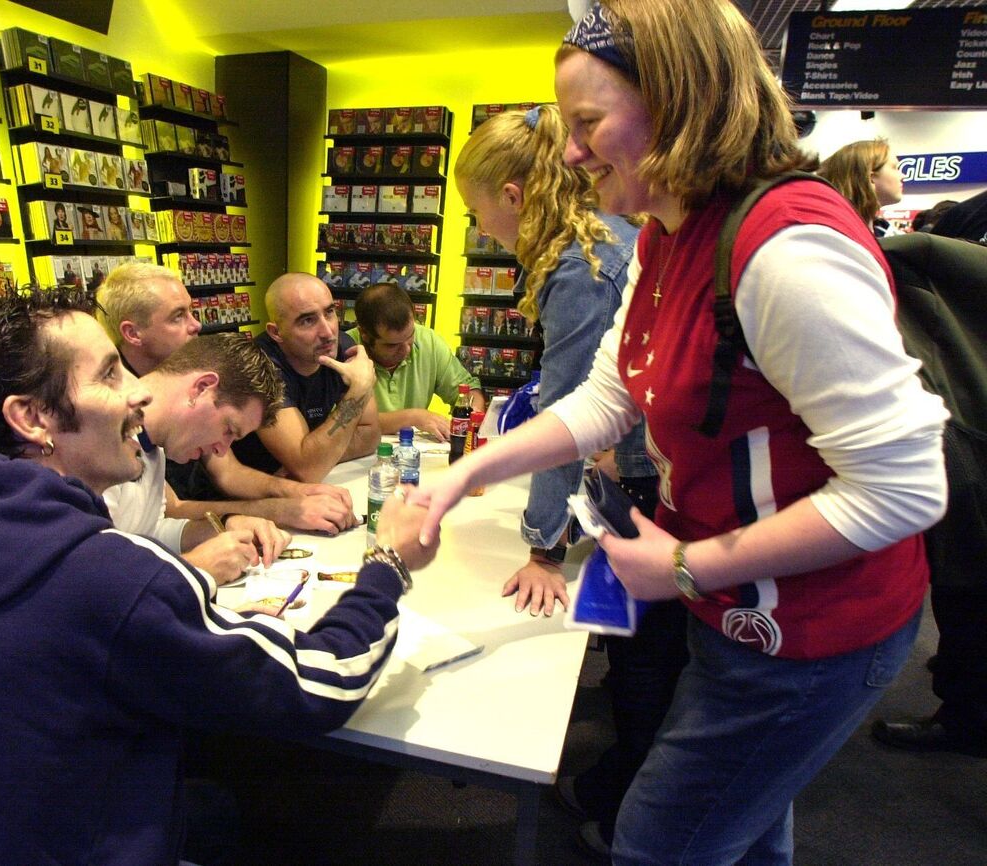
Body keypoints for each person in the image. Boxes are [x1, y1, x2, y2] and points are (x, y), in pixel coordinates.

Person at [407, 3, 948, 863]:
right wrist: (468, 474)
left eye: (588, 123)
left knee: (661, 842)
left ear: (682, 101)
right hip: (740, 616)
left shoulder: (785, 250)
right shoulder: (668, 231)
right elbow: (606, 395)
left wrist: (689, 566)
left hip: (815, 632)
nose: (572, 152)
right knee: (742, 821)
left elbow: (907, 489)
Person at [0, 286, 438, 866]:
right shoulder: (106, 575)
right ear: (33, 418)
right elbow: (324, 682)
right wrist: (388, 564)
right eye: (110, 374)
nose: (139, 390)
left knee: (214, 808)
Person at [454, 102, 685, 853]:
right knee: (646, 668)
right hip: (658, 475)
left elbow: (572, 409)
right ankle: (618, 784)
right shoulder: (607, 244)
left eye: (477, 210)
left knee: (648, 671)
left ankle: (632, 812)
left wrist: (543, 547)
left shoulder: (579, 265)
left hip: (655, 492)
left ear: (513, 197)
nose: (480, 228)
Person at [96, 263, 357, 534]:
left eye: (192, 311)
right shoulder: (114, 417)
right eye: (178, 316)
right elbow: (167, 511)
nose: (196, 324)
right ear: (133, 333)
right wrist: (277, 511)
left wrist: (298, 492)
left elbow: (228, 471)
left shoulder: (169, 394)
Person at [102, 334, 292, 585]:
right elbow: (85, 578)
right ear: (202, 388)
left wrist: (224, 526)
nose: (222, 451)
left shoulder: (154, 448)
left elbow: (147, 533)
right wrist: (195, 565)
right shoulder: (98, 440)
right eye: (228, 429)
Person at [231, 273, 379, 482]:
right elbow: (309, 470)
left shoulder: (341, 348)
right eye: (308, 320)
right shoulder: (256, 366)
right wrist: (359, 389)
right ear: (276, 333)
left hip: (297, 484)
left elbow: (370, 435)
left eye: (329, 312)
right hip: (249, 495)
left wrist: (319, 456)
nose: (328, 332)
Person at [352, 281, 484, 439]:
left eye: (410, 337)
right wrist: (413, 417)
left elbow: (466, 389)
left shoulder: (429, 341)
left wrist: (473, 410)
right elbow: (337, 423)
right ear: (364, 334)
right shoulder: (344, 351)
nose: (406, 349)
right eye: (393, 345)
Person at [818, 137, 905, 237]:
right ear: (870, 176)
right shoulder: (832, 234)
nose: (903, 176)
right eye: (895, 167)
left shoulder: (887, 234)